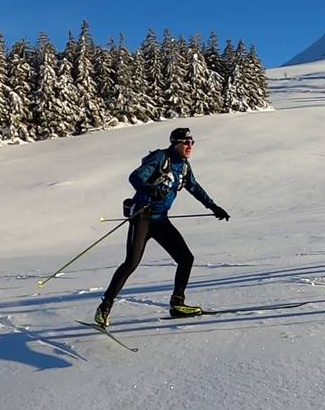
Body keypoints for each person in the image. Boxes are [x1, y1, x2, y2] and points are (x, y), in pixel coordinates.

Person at [94, 127, 231, 326]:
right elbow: (135, 177)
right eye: (186, 142)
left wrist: (213, 207)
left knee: (186, 259)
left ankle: (177, 303)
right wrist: (150, 189)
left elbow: (194, 187)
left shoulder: (183, 166)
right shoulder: (160, 157)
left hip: (160, 220)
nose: (189, 146)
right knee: (131, 263)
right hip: (142, 217)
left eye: (192, 143)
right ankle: (104, 308)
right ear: (175, 143)